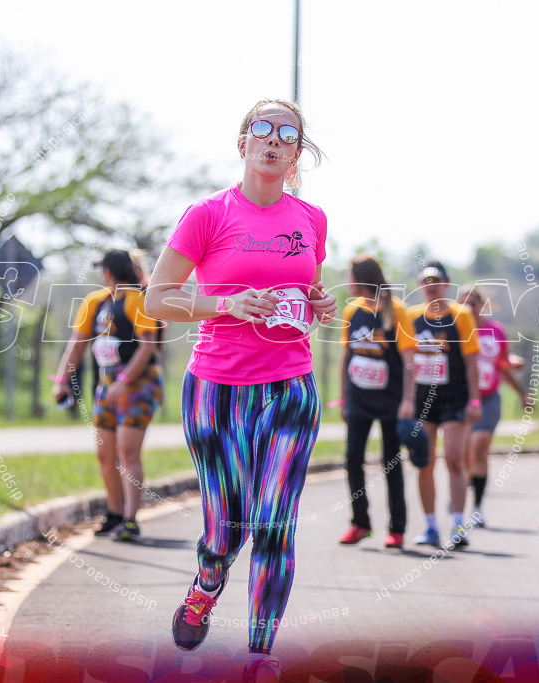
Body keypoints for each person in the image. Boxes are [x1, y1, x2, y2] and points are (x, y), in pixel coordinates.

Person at [145, 99, 335, 681]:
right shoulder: (207, 215)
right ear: (243, 143)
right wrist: (224, 303)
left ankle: (259, 655)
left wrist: (319, 306)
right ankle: (207, 582)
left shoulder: (311, 219)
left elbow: (305, 293)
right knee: (226, 528)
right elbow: (157, 299)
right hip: (217, 388)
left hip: (290, 387)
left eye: (287, 134)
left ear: (297, 153)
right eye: (262, 130)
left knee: (276, 523)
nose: (273, 141)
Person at [52, 249, 164, 542]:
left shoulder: (137, 299)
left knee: (127, 451)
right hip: (106, 384)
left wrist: (125, 381)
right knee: (105, 453)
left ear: (109, 272)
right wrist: (62, 380)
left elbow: (148, 346)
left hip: (138, 383)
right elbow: (76, 345)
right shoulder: (95, 302)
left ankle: (130, 519)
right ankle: (114, 513)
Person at [400, 261, 481, 549]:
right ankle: (431, 526)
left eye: (436, 281)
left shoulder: (461, 315)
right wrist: (407, 399)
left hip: (455, 397)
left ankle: (458, 524)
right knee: (425, 462)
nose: (431, 286)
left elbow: (472, 361)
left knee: (455, 458)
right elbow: (407, 362)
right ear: (421, 285)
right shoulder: (411, 316)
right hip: (423, 401)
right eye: (426, 281)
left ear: (447, 283)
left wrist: (474, 399)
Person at [337, 256, 415, 549]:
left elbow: (409, 361)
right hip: (359, 399)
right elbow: (347, 356)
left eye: (350, 276)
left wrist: (408, 400)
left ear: (361, 279)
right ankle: (360, 523)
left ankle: (397, 528)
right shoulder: (351, 310)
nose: (347, 282)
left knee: (391, 462)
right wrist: (344, 398)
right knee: (352, 459)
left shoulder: (397, 311)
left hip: (391, 401)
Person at [458, 287, 527, 527]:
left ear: (482, 305)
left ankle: (476, 507)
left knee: (479, 449)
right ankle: (460, 495)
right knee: (462, 454)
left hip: (488, 399)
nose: (470, 308)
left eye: (474, 303)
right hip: (461, 399)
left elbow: (503, 364)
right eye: (464, 304)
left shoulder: (495, 331)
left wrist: (520, 391)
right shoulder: (454, 329)